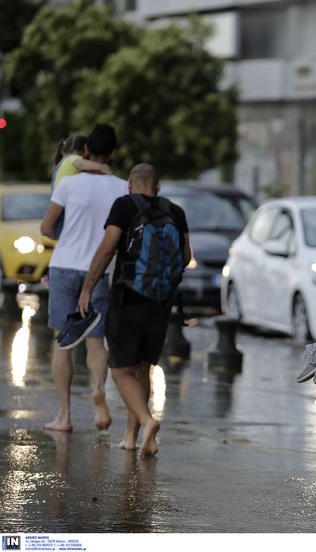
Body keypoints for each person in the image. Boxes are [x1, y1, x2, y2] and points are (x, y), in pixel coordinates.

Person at [78, 163, 191, 456]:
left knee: (120, 371)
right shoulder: (176, 212)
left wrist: (88, 288)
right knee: (143, 369)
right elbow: (186, 256)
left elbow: (107, 248)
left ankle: (146, 421)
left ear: (130, 184)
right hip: (161, 302)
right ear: (159, 185)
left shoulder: (124, 206)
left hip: (128, 299)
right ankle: (133, 438)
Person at [39, 123, 128, 433]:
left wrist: (65, 238)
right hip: (99, 270)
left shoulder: (68, 185)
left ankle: (64, 417)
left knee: (62, 343)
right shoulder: (122, 188)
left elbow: (46, 228)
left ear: (86, 150)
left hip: (64, 266)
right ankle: (98, 389)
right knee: (95, 342)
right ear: (113, 153)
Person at [49, 134, 113, 239]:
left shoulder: (61, 164)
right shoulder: (72, 159)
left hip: (60, 207)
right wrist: (100, 167)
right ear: (85, 149)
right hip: (65, 208)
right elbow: (80, 163)